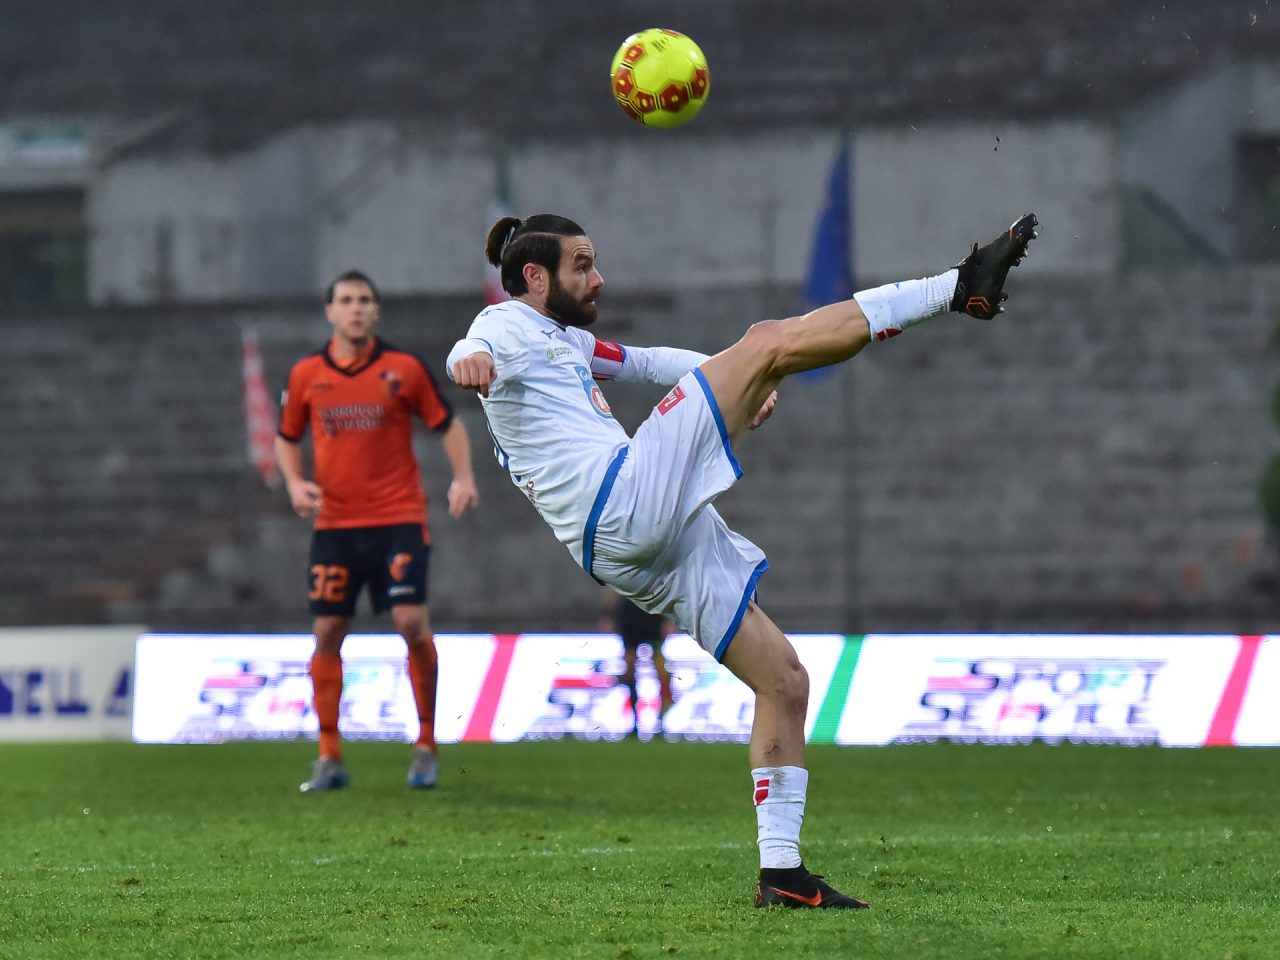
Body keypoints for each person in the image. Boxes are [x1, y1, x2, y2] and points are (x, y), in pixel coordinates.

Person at [447, 211, 1037, 908]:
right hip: (621, 500)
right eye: (582, 265)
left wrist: (736, 383)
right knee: (767, 340)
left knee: (784, 681)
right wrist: (469, 365)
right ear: (535, 277)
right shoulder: (506, 329)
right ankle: (957, 286)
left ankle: (782, 875)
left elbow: (646, 361)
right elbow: (468, 349)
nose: (598, 276)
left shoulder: (565, 341)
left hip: (633, 549)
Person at [276, 268, 480, 794]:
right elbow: (286, 436)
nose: (356, 308)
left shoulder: (403, 369)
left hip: (398, 520)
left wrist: (462, 477)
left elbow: (447, 423)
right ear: (330, 311)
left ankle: (428, 745)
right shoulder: (305, 376)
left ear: (377, 310)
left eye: (365, 299)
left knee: (412, 622)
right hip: (336, 526)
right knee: (326, 633)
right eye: (346, 300)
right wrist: (296, 483)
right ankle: (329, 756)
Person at [599, 588, 673, 737]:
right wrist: (608, 614)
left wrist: (668, 618)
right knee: (630, 671)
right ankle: (634, 722)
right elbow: (614, 585)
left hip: (651, 612)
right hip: (630, 616)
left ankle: (661, 720)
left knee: (661, 672)